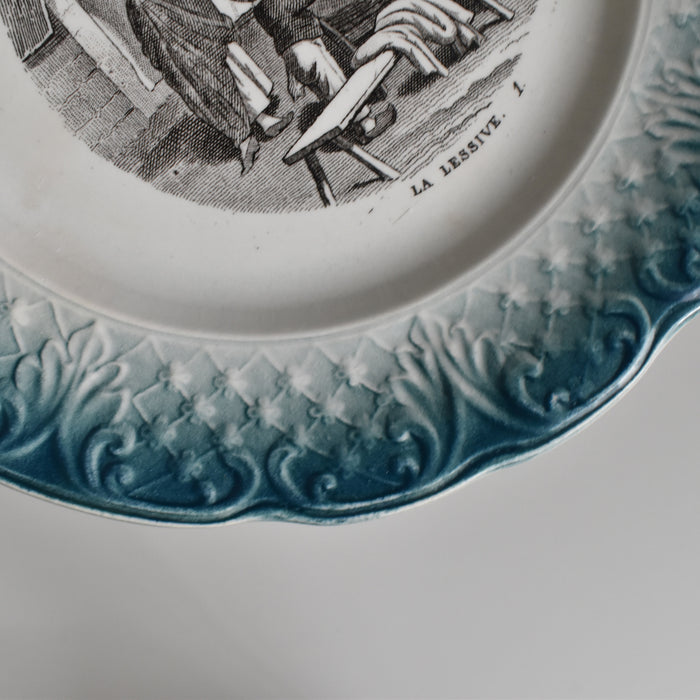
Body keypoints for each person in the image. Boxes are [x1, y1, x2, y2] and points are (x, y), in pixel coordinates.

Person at [126, 0, 293, 174]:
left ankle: (263, 124)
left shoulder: (134, 6)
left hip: (195, 51)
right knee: (220, 91)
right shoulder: (136, 6)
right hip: (192, 52)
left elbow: (152, 48)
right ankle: (247, 139)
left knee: (231, 82)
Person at [253, 0, 396, 142]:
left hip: (295, 58)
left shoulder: (259, 11)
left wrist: (292, 75)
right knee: (342, 90)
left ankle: (353, 128)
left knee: (329, 96)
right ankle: (368, 125)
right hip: (309, 52)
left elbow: (285, 35)